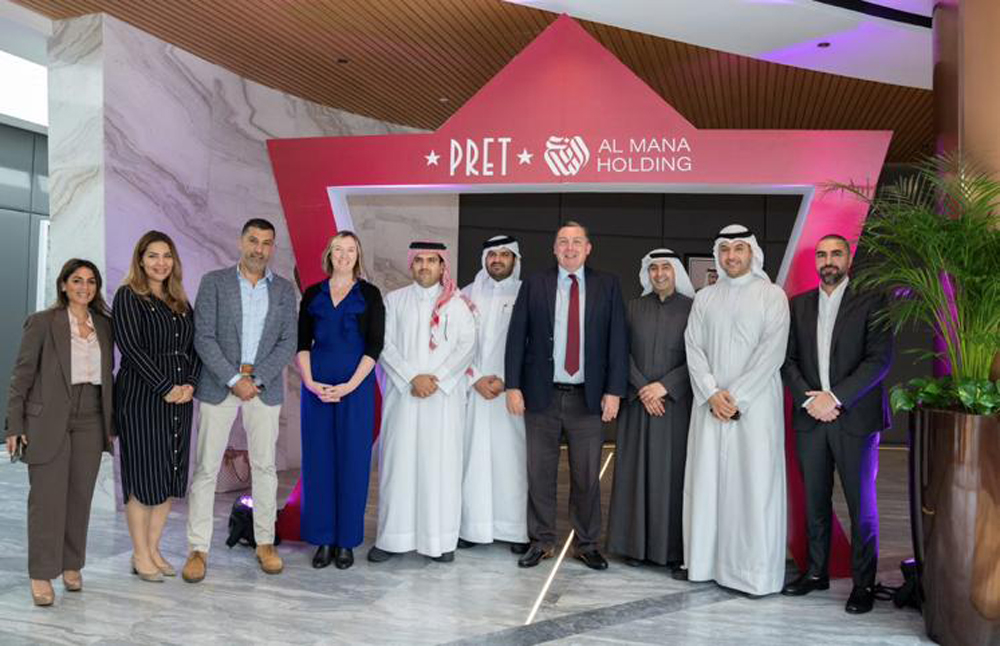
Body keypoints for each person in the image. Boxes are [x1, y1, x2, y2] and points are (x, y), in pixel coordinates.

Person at [505, 221, 628, 570]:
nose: (570, 248)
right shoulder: (535, 284)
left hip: (587, 399)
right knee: (539, 474)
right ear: (554, 249)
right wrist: (513, 386)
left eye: (577, 242)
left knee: (587, 476)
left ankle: (587, 543)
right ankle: (541, 540)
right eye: (563, 242)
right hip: (540, 397)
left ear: (588, 248)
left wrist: (614, 391)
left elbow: (617, 342)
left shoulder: (608, 285)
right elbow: (517, 337)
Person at [781, 234, 892, 614]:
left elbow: (879, 361)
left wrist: (836, 397)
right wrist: (811, 399)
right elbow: (787, 360)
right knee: (815, 501)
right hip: (811, 418)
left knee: (861, 505)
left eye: (836, 254)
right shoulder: (798, 306)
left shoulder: (873, 301)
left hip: (855, 418)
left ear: (848, 258)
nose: (829, 260)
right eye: (823, 254)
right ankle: (816, 572)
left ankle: (864, 583)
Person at [183, 218, 297, 582]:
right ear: (240, 241)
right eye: (252, 240)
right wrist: (234, 379)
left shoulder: (282, 290)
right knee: (206, 469)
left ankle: (265, 542)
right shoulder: (214, 283)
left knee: (264, 468)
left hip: (264, 389)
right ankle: (197, 548)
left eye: (266, 243)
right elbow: (204, 337)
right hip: (220, 385)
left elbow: (287, 343)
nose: (258, 249)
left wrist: (256, 379)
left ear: (272, 248)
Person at [683, 224, 790, 596]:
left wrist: (735, 397)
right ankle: (705, 564)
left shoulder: (772, 295)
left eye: (739, 248)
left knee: (753, 484)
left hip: (755, 407)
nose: (732, 256)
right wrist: (713, 394)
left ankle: (753, 573)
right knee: (708, 483)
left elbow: (771, 353)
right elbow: (693, 348)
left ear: (753, 253)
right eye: (725, 249)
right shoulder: (705, 298)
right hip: (709, 407)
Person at [6, 259, 114, 606]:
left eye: (91, 281)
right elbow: (21, 376)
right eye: (77, 280)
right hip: (48, 418)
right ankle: (41, 573)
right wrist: (15, 424)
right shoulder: (42, 322)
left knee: (80, 498)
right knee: (46, 500)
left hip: (91, 416)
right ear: (64, 285)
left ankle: (71, 565)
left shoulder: (104, 325)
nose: (85, 287)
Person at [368, 241, 476, 563]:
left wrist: (436, 379)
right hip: (404, 398)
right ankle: (392, 539)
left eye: (432, 261)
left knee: (440, 468)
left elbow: (467, 347)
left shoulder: (459, 304)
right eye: (419, 261)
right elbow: (383, 344)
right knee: (398, 467)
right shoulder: (394, 300)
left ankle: (440, 541)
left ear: (443, 266)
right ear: (411, 265)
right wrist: (411, 377)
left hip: (442, 401)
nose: (425, 266)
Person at [113, 232, 201, 583]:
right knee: (143, 479)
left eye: (166, 256)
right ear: (140, 259)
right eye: (153, 256)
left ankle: (153, 549)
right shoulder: (128, 296)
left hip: (180, 398)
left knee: (168, 475)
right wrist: (165, 387)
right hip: (142, 398)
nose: (160, 263)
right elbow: (131, 349)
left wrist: (190, 384)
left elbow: (194, 348)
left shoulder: (179, 300)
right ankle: (139, 553)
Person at [297, 231, 384, 570]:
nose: (344, 255)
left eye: (350, 250)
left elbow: (374, 346)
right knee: (318, 462)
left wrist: (348, 386)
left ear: (357, 255)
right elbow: (303, 343)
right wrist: (309, 381)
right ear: (329, 254)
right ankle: (322, 540)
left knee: (352, 462)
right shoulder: (313, 293)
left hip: (355, 389)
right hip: (315, 388)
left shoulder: (371, 295)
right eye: (338, 249)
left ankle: (346, 541)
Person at [607, 249, 694, 571]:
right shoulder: (633, 308)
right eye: (653, 268)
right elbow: (619, 352)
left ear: (676, 273)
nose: (659, 274)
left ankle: (669, 549)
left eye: (665, 268)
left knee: (671, 476)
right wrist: (643, 388)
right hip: (637, 405)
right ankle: (632, 545)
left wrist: (666, 387)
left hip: (675, 408)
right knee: (634, 474)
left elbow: (698, 357)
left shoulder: (693, 309)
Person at [458, 235, 529, 554]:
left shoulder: (528, 293)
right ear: (485, 259)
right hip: (474, 392)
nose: (498, 260)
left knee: (511, 460)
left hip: (511, 391)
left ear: (514, 259)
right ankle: (473, 528)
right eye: (492, 255)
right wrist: (474, 378)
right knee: (473, 459)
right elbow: (456, 345)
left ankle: (514, 530)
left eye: (504, 254)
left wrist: (506, 380)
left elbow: (534, 345)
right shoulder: (466, 295)